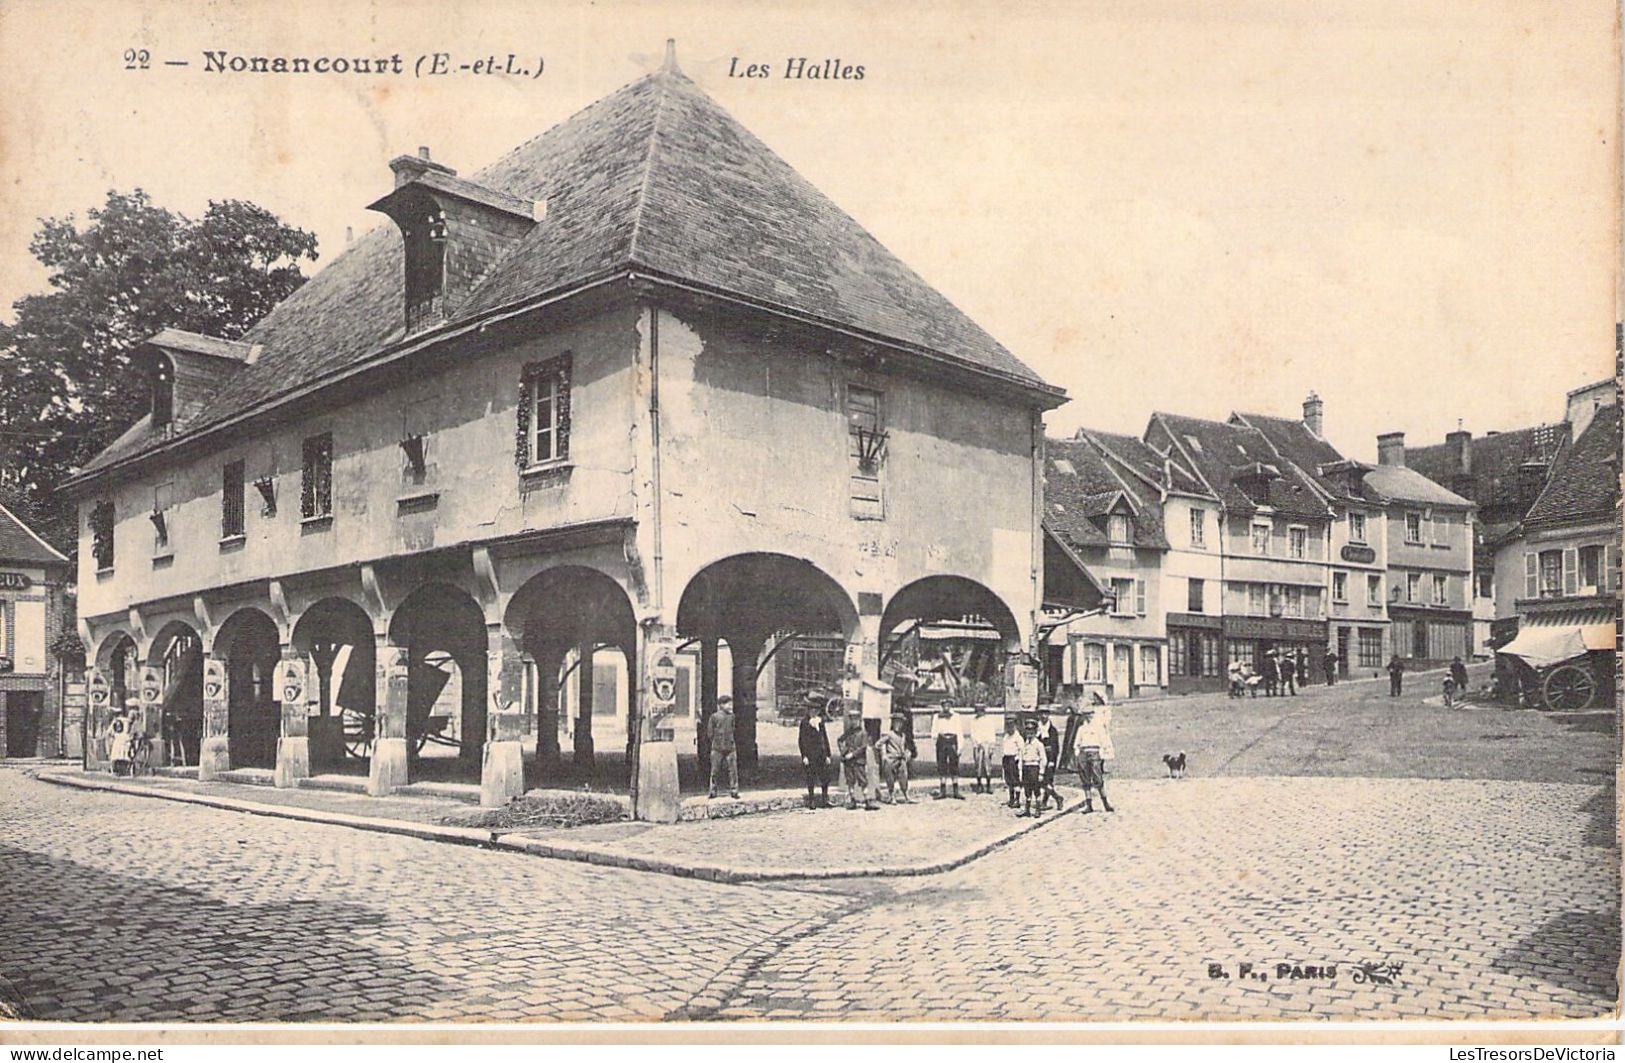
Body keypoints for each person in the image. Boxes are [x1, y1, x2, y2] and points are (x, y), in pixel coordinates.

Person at [1073, 701, 1115, 813]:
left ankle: (1105, 803)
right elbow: (1076, 743)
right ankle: (1089, 804)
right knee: (1085, 779)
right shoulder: (1081, 729)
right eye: (1086, 714)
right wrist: (1078, 754)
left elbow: (1104, 741)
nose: (1088, 717)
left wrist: (1102, 754)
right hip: (1084, 753)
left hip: (1095, 753)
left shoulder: (1098, 727)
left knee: (1098, 779)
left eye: (1090, 714)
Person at [837, 710, 878, 811]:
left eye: (855, 719)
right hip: (849, 761)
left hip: (859, 760)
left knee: (862, 781)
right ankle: (852, 800)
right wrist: (843, 751)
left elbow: (863, 747)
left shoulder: (863, 733)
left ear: (859, 720)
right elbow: (839, 740)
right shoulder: (848, 732)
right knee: (850, 781)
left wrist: (852, 754)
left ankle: (867, 800)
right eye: (852, 719)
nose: (854, 722)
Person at [798, 694, 832, 808]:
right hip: (811, 754)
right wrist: (804, 756)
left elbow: (825, 738)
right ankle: (811, 799)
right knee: (811, 777)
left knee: (825, 777)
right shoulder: (805, 723)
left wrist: (828, 754)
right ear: (808, 710)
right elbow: (802, 740)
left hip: (821, 754)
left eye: (816, 710)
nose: (814, 712)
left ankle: (825, 798)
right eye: (812, 710)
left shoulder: (820, 722)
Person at [876, 712, 914, 804]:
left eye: (900, 723)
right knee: (890, 778)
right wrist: (884, 754)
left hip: (901, 759)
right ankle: (891, 796)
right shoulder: (889, 734)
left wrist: (907, 753)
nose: (898, 725)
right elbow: (878, 744)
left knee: (904, 776)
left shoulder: (903, 735)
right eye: (896, 722)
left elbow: (905, 747)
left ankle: (906, 795)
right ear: (892, 723)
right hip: (891, 759)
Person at [707, 695, 739, 799]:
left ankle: (734, 790)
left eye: (730, 703)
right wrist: (715, 741)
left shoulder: (732, 716)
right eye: (727, 703)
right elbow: (710, 732)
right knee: (715, 770)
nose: (730, 705)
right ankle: (713, 790)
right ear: (721, 705)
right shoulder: (714, 717)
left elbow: (733, 729)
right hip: (717, 747)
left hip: (730, 747)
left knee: (733, 770)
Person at [1016, 718, 1049, 817]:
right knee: (1027, 789)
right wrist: (1020, 771)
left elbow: (1044, 759)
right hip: (1026, 767)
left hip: (1034, 767)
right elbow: (1021, 757)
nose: (1029, 734)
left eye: (1031, 731)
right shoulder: (1024, 744)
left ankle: (1038, 809)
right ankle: (1027, 809)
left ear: (1035, 732)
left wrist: (1041, 772)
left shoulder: (1039, 744)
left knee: (1036, 789)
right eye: (1027, 731)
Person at [932, 704, 964, 800]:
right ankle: (942, 791)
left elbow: (959, 732)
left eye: (948, 704)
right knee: (942, 765)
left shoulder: (956, 716)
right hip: (941, 741)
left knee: (954, 765)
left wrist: (960, 747)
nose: (946, 707)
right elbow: (934, 731)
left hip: (953, 740)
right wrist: (936, 743)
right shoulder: (937, 717)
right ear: (942, 706)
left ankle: (956, 791)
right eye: (944, 705)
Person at [967, 703, 999, 794]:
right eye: (978, 710)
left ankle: (988, 786)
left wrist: (992, 745)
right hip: (977, 745)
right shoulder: (973, 721)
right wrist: (976, 743)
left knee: (987, 765)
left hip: (987, 744)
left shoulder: (988, 721)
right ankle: (979, 785)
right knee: (978, 765)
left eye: (981, 710)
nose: (979, 712)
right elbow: (972, 734)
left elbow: (992, 733)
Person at [1037, 711, 1064, 811]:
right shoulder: (1037, 728)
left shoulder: (1052, 730)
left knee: (1047, 780)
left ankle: (1047, 801)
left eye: (1046, 714)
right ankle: (1056, 798)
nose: (1043, 716)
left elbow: (1055, 747)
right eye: (1041, 714)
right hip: (1038, 757)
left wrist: (1052, 760)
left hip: (1049, 758)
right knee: (1040, 780)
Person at [999, 715, 1023, 808]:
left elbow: (1021, 750)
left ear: (1015, 725)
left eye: (1011, 725)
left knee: (1015, 780)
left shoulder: (1018, 737)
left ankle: (1017, 800)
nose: (1009, 727)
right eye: (1008, 725)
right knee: (1009, 780)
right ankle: (1011, 798)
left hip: (1014, 759)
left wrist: (1019, 762)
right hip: (1006, 758)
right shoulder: (1006, 737)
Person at [107, 711, 133, 777]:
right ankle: (124, 770)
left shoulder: (116, 721)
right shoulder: (127, 721)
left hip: (119, 741)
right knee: (124, 755)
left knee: (116, 754)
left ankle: (117, 770)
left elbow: (108, 732)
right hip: (125, 741)